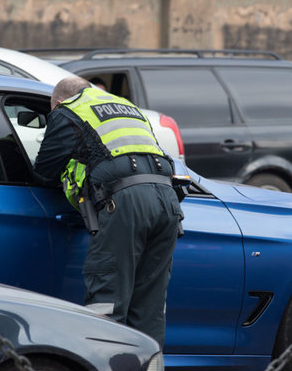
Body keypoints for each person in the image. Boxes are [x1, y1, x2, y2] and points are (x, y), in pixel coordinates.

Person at [33, 76, 183, 348]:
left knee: (107, 297)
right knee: (149, 306)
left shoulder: (69, 110)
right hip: (168, 201)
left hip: (126, 202)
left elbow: (45, 170)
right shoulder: (126, 106)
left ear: (57, 103)